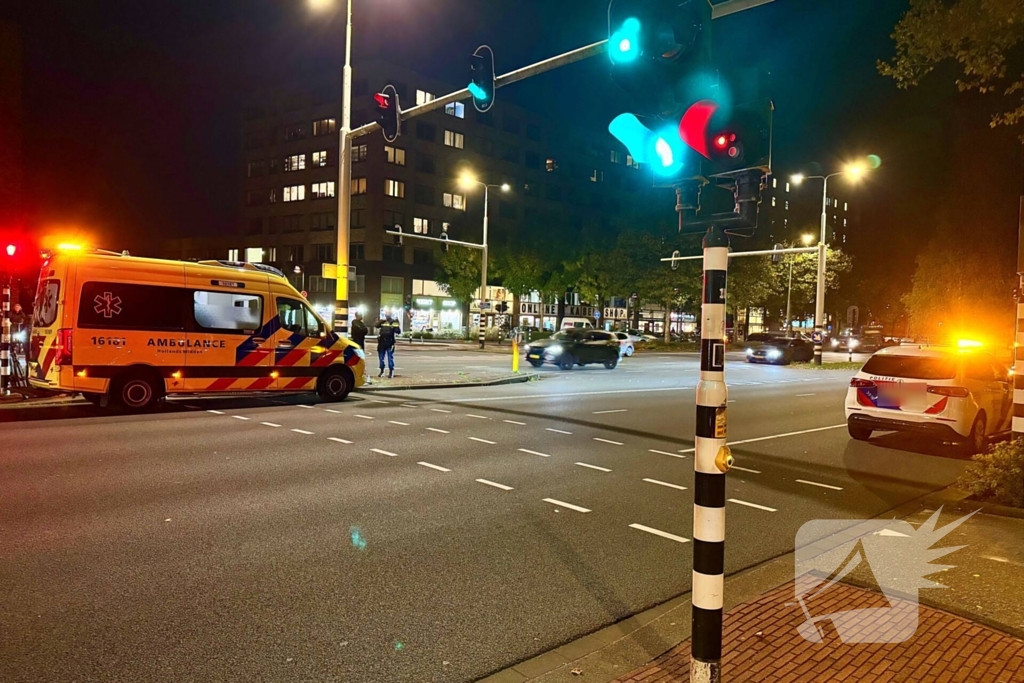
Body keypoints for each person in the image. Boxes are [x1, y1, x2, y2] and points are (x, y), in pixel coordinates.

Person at [376, 314, 399, 378]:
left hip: (390, 342)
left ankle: (391, 371)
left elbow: (398, 331)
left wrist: (396, 324)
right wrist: (380, 321)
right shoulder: (383, 321)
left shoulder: (393, 322)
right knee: (381, 358)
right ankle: (382, 370)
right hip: (382, 342)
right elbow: (376, 326)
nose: (387, 314)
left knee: (390, 358)